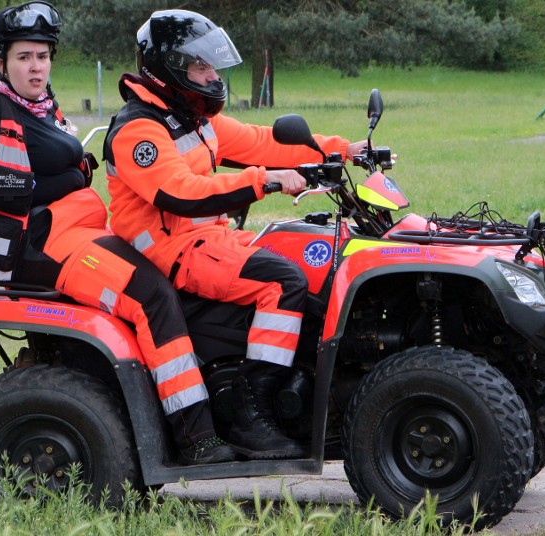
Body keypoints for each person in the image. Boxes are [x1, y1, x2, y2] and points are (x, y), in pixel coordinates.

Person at [0, 1, 235, 466]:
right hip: (42, 245)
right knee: (150, 297)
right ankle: (196, 436)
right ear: (1, 62)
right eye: (23, 57)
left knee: (169, 278)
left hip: (80, 233)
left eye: (42, 56)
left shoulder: (42, 107)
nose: (36, 66)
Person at [103, 9, 367, 459]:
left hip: (212, 241)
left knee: (312, 264)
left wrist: (341, 150)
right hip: (172, 253)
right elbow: (180, 193)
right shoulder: (138, 130)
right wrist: (262, 181)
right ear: (168, 68)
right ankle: (253, 412)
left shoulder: (194, 119)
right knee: (282, 282)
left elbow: (264, 141)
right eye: (199, 67)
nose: (211, 77)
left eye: (212, 67)